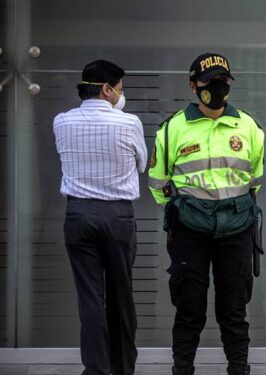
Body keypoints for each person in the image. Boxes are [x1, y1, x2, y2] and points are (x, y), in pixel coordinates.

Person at [147, 53, 264, 375]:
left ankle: (238, 369)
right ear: (192, 85)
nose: (216, 86)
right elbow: (157, 182)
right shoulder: (172, 129)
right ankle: (182, 368)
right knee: (189, 308)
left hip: (236, 229)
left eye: (223, 80)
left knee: (234, 309)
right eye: (208, 81)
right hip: (189, 231)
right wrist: (183, 209)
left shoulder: (249, 127)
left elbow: (255, 179)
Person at [54, 59, 147, 375]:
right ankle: (122, 368)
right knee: (121, 295)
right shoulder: (128, 122)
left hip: (78, 213)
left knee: (90, 299)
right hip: (118, 214)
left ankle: (96, 370)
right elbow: (142, 164)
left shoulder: (61, 121)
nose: (122, 94)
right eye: (120, 88)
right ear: (107, 89)